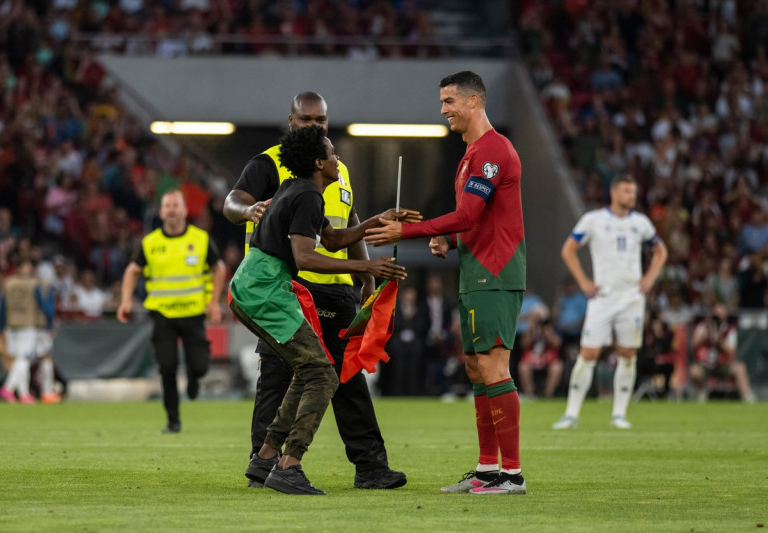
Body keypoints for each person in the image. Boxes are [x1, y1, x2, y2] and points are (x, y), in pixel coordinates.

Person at [223, 91, 408, 490]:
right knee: (317, 374)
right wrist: (366, 265)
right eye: (331, 150)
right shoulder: (294, 183)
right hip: (272, 288)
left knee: (316, 373)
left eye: (321, 123)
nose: (336, 152)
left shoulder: (307, 187)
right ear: (317, 159)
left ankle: (267, 461)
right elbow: (305, 257)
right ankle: (285, 467)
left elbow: (337, 237)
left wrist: (378, 221)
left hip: (271, 287)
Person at [366, 71, 527, 495]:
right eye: (442, 102)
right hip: (475, 271)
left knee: (494, 367)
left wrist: (409, 232)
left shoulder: (493, 151)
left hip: (496, 272)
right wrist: (449, 239)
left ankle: (512, 473)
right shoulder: (472, 154)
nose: (443, 110)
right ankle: (487, 469)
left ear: (475, 101)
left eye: (450, 101)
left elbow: (470, 215)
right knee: (476, 368)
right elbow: (476, 221)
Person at [552, 174, 668, 430]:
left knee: (627, 353)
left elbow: (660, 251)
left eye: (634, 191)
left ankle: (619, 414)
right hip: (602, 298)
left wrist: (649, 278)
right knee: (589, 353)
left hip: (631, 299)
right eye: (627, 191)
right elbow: (568, 249)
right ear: (614, 193)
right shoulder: (593, 220)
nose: (632, 196)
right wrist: (583, 282)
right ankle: (571, 414)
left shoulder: (641, 223)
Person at [117, 189, 227, 434]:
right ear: (161, 211)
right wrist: (125, 301)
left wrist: (213, 302)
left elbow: (218, 268)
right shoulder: (150, 243)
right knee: (166, 367)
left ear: (185, 210)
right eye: (167, 205)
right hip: (162, 315)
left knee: (199, 367)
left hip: (193, 312)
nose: (172, 209)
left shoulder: (200, 239)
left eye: (176, 205)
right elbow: (131, 271)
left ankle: (193, 376)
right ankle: (173, 421)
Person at [0, 259, 57, 404]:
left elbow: (2, 307)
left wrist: (1, 327)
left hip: (12, 325)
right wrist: (50, 322)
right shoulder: (34, 285)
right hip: (28, 325)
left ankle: (14, 391)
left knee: (20, 358)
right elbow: (44, 306)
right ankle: (15, 391)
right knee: (24, 358)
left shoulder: (9, 283)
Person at [689, 303, 756, 403]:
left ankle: (747, 395)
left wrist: (719, 339)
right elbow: (694, 343)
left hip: (722, 363)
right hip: (706, 363)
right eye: (716, 313)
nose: (718, 316)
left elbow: (730, 350)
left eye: (720, 314)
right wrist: (706, 330)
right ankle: (703, 392)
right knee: (693, 371)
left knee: (740, 368)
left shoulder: (729, 330)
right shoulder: (704, 326)